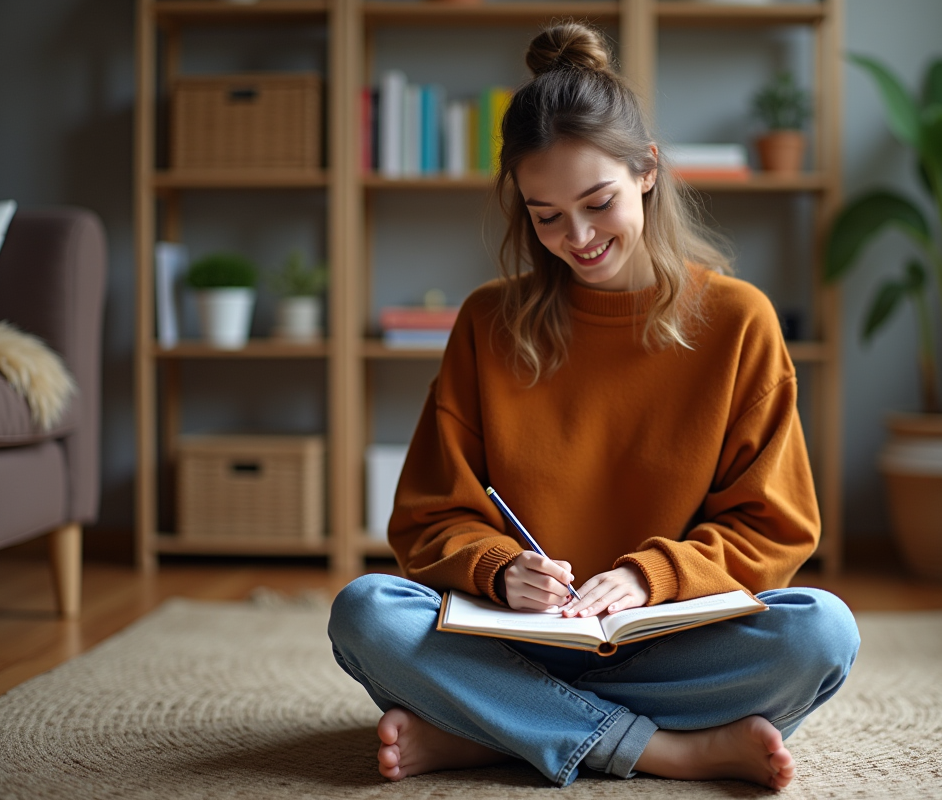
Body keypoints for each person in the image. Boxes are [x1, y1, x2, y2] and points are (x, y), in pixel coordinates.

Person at [328, 21, 860, 790]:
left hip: (675, 635)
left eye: (597, 202)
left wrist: (650, 579)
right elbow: (425, 518)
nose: (576, 237)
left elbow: (773, 528)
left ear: (647, 170)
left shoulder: (741, 321)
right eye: (546, 216)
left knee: (821, 633)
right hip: (519, 635)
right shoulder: (487, 322)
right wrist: (502, 568)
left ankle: (491, 731)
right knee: (366, 612)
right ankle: (667, 751)